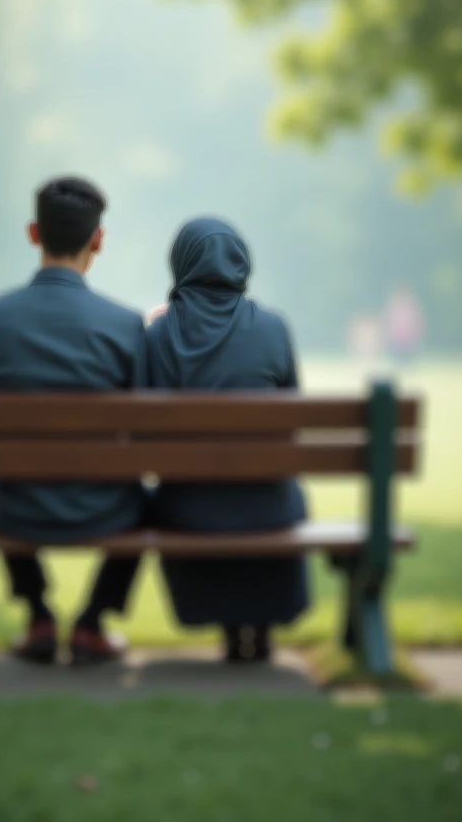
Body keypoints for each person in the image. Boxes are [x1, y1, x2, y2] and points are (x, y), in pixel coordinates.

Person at [0, 177, 149, 665]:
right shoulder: (126, 324)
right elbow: (146, 432)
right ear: (98, 240)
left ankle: (39, 615)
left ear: (32, 233)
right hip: (105, 508)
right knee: (148, 502)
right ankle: (92, 622)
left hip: (12, 508)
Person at [147, 217, 309, 662]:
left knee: (196, 498)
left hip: (188, 510)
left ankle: (230, 627)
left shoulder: (160, 334)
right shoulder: (274, 328)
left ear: (180, 262)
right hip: (269, 506)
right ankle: (259, 624)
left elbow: (143, 434)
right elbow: (292, 427)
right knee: (275, 495)